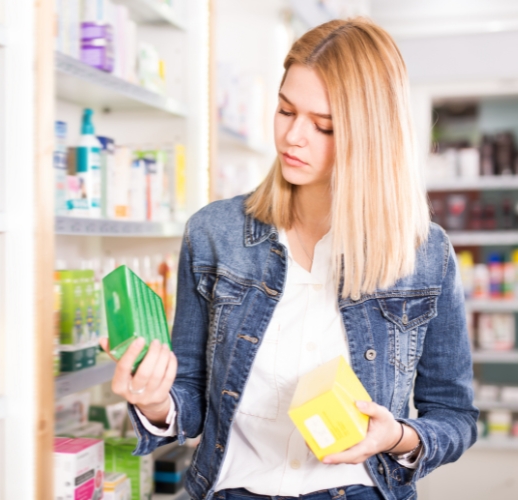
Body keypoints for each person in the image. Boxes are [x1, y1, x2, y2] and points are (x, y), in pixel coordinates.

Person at [99, 18, 478, 500]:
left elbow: (455, 415)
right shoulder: (215, 234)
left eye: (325, 126)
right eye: (284, 110)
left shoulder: (424, 254)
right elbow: (190, 396)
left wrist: (398, 437)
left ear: (372, 137)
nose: (293, 137)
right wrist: (154, 401)